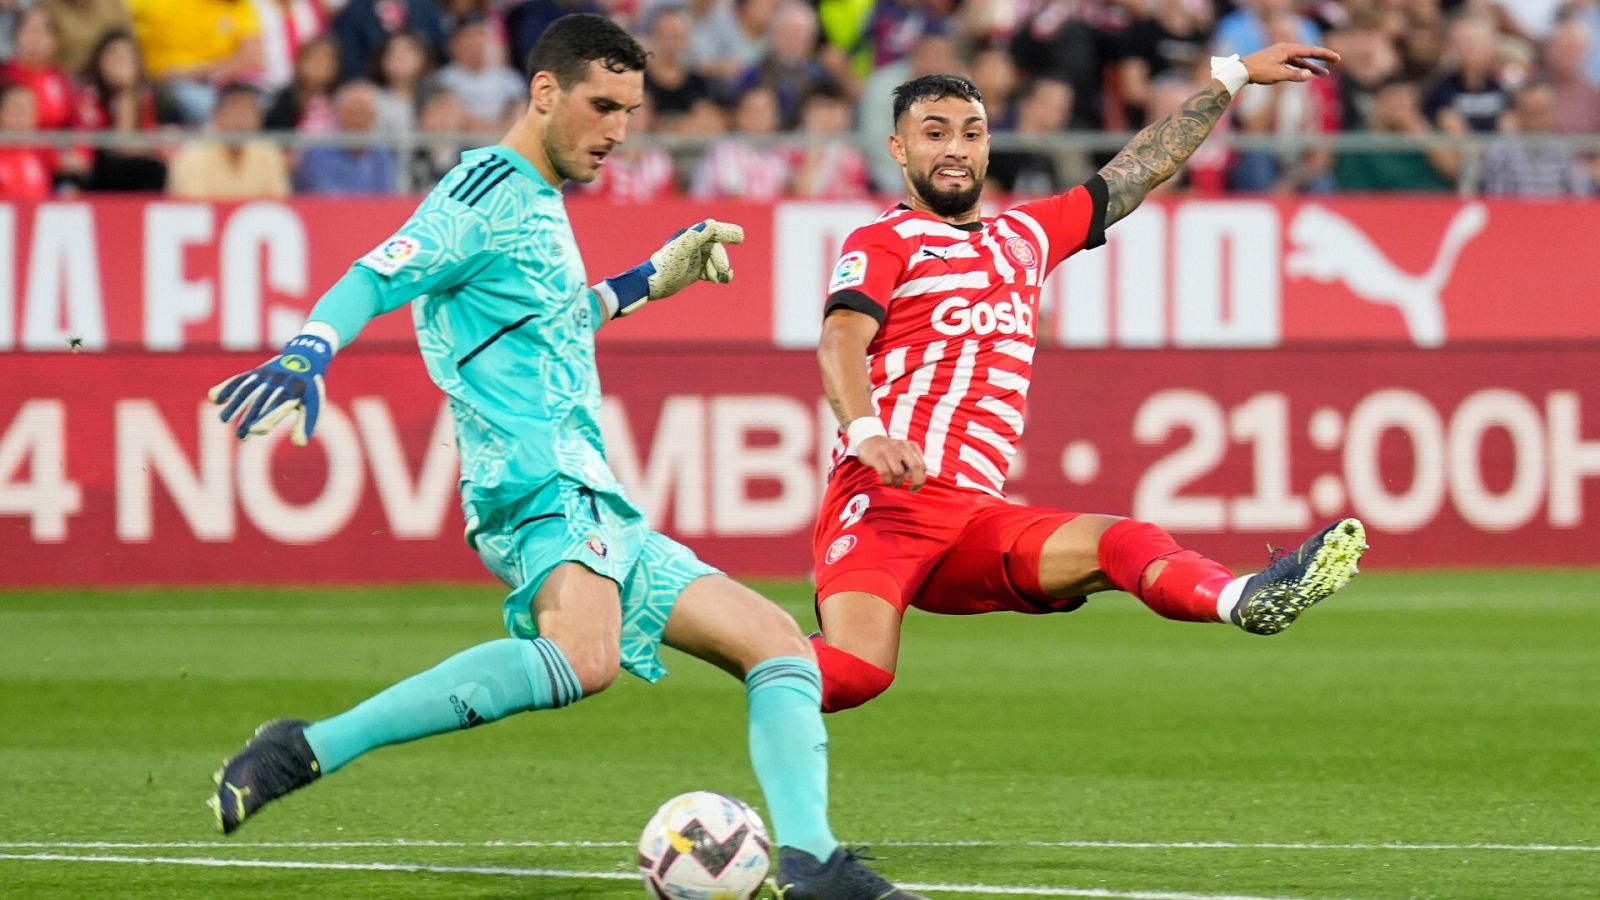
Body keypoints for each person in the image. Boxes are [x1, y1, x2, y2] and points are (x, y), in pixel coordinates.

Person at [203, 15, 920, 899]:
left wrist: (647, 281)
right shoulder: (484, 191)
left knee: (780, 649)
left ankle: (812, 860)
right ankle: (307, 747)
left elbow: (546, 319)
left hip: (594, 496)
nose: (618, 130)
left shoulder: (538, 201)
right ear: (545, 93)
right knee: (585, 659)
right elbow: (376, 274)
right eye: (602, 105)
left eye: (631, 110)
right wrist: (308, 351)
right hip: (535, 485)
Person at [807, 50, 1369, 716]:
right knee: (854, 676)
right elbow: (841, 338)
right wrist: (867, 432)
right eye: (935, 133)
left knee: (1121, 541)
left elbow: (1139, 168)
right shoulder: (884, 241)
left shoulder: (1027, 234)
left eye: (971, 132)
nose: (955, 149)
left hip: (971, 520)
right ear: (899, 148)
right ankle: (714, 624)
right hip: (885, 505)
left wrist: (1234, 77)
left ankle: (1239, 597)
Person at [128, 0, 264, 124]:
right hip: (179, 86)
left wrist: (209, 71)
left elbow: (253, 57)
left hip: (229, 82)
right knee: (207, 105)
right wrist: (208, 71)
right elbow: (165, 73)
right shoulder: (156, 5)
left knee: (261, 104)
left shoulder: (240, 6)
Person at [78, 28, 171, 192]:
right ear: (99, 61)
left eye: (127, 57)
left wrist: (127, 91)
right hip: (97, 170)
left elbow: (138, 146)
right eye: (113, 55)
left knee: (154, 170)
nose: (120, 61)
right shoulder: (87, 94)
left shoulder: (149, 96)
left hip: (136, 169)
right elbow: (114, 147)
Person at [167, 82, 291, 198]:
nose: (240, 122)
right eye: (234, 111)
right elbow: (193, 209)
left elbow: (280, 203)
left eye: (247, 112)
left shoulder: (268, 152)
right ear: (217, 115)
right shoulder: (193, 153)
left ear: (259, 120)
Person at [293, 80, 397, 193]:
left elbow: (387, 194)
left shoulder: (381, 153)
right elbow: (323, 193)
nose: (358, 120)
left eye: (364, 113)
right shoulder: (317, 152)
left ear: (374, 116)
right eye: (352, 113)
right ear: (338, 114)